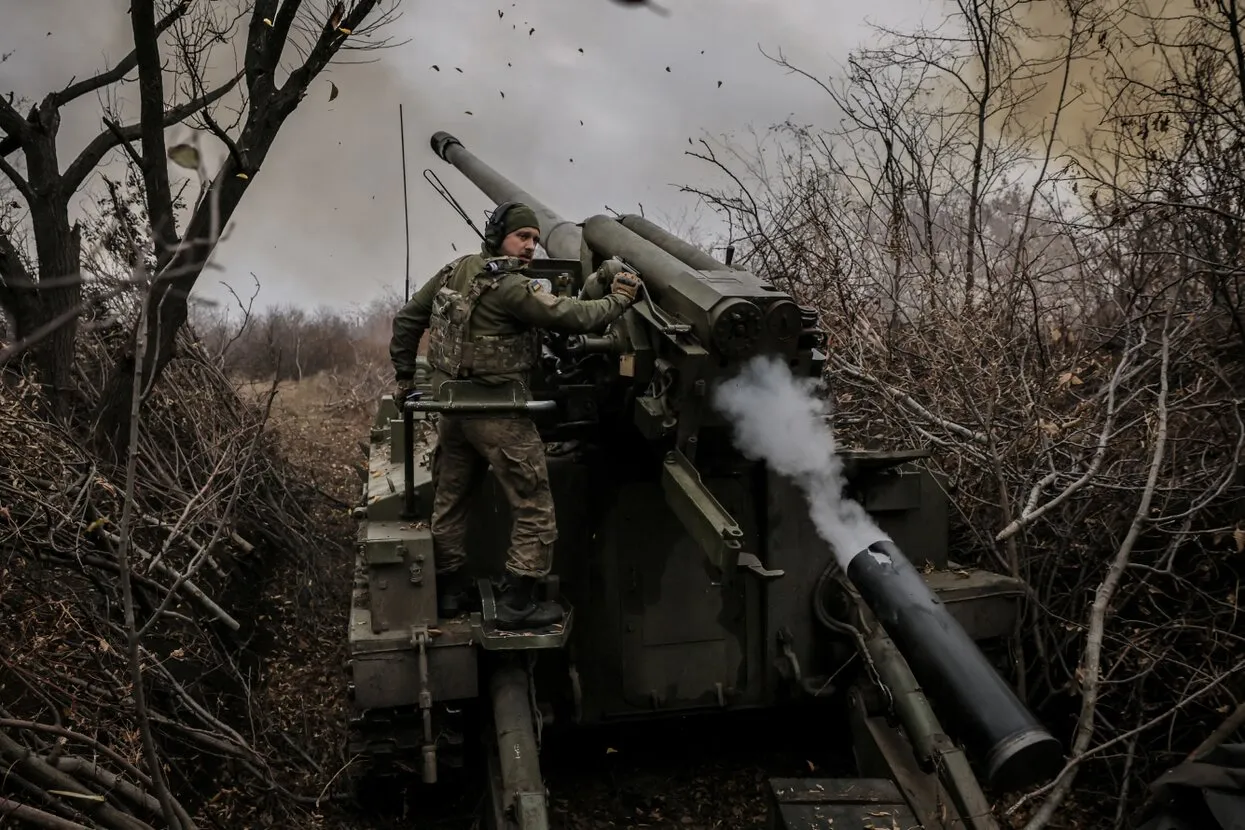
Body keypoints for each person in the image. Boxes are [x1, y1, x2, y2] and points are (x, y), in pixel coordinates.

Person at [389, 202, 641, 631]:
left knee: (452, 500)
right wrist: (618, 299)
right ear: (498, 236)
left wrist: (404, 376)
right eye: (522, 237)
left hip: (452, 409)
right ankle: (518, 600)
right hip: (500, 413)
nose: (529, 247)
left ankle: (449, 590)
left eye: (534, 240)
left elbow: (408, 318)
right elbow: (572, 316)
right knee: (534, 504)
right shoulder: (511, 288)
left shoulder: (456, 271)